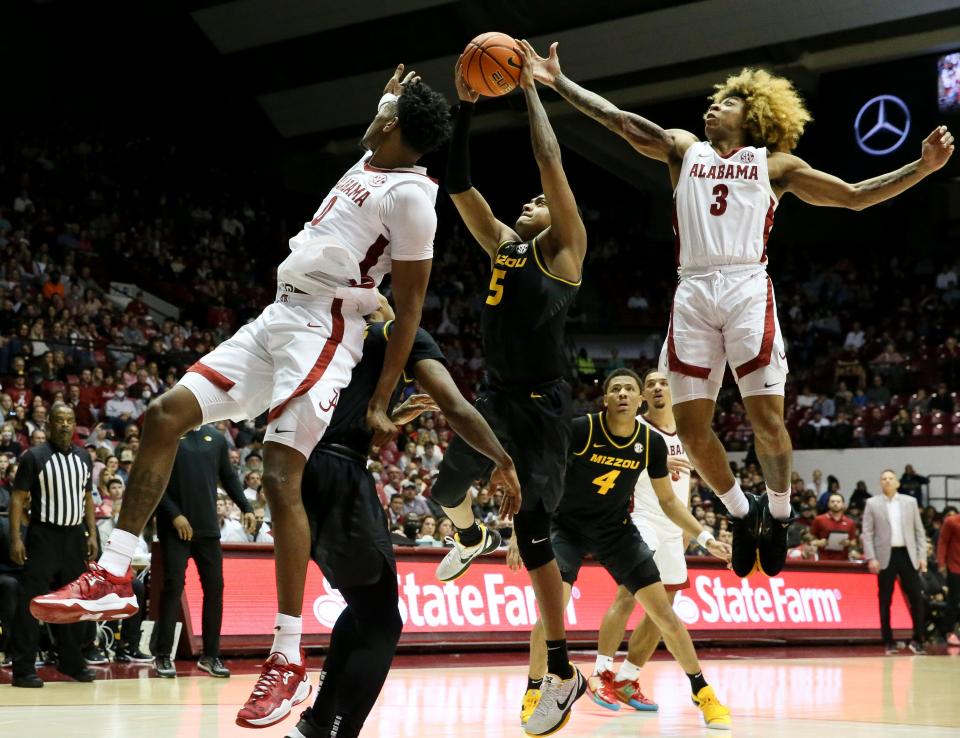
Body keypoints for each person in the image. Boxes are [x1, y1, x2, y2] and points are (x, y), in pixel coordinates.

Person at [31, 66, 451, 723]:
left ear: (395, 126)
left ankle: (286, 657)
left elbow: (412, 303)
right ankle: (113, 572)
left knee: (281, 474)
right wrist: (393, 96)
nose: (374, 116)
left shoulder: (413, 198)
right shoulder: (377, 153)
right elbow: (387, 123)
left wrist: (379, 398)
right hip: (278, 317)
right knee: (161, 415)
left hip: (326, 329)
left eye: (385, 111)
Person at [524, 41, 954, 579]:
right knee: (690, 427)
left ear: (754, 116)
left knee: (766, 420)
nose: (713, 106)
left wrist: (923, 166)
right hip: (692, 289)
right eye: (714, 100)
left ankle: (777, 514)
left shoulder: (775, 165)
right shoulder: (683, 149)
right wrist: (557, 81)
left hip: (748, 284)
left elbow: (853, 196)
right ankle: (742, 511)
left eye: (727, 102)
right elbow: (616, 119)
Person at [430, 42, 588, 737]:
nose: (529, 202)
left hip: (541, 411)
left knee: (532, 540)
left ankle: (562, 668)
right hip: (493, 397)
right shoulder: (504, 243)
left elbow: (549, 164)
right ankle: (466, 537)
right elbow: (459, 186)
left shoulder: (564, 253)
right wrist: (464, 110)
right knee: (442, 491)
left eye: (538, 204)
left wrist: (529, 89)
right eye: (525, 200)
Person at [286, 296, 519, 738]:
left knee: (363, 609)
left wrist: (389, 416)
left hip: (302, 469)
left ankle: (317, 724)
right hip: (337, 474)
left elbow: (348, 431)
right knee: (383, 622)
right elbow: (455, 406)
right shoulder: (397, 334)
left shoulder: (338, 345)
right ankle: (335, 730)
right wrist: (502, 460)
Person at [513, 369, 732, 733]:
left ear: (639, 400)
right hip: (566, 527)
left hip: (615, 530)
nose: (624, 394)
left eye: (630, 389)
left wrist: (705, 538)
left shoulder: (651, 442)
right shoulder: (582, 429)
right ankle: (535, 691)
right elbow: (542, 475)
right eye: (616, 389)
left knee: (664, 612)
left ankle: (702, 691)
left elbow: (669, 501)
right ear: (607, 399)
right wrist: (521, 531)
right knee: (553, 610)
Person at [589, 370, 696, 712]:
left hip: (672, 528)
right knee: (627, 594)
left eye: (663, 382)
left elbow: (685, 486)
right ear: (643, 396)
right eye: (650, 384)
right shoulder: (634, 428)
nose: (657, 387)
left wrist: (689, 528)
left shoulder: (689, 432)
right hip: (641, 520)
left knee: (663, 609)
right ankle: (601, 674)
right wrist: (658, 459)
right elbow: (615, 462)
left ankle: (627, 679)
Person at [152, 423, 255, 680]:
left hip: (207, 527)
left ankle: (210, 655)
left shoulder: (217, 438)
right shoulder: (168, 432)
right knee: (173, 586)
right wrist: (175, 515)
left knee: (215, 588)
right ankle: (163, 654)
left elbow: (228, 476)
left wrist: (246, 507)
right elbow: (155, 481)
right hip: (175, 527)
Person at [9, 405, 97, 687]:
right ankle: (23, 669)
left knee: (72, 604)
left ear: (74, 426)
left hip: (74, 537)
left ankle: (71, 663)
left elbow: (87, 499)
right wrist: (15, 538)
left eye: (69, 420)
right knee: (32, 603)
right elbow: (18, 498)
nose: (64, 425)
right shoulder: (34, 457)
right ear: (49, 424)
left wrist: (92, 534)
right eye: (58, 420)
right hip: (43, 537)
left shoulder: (84, 457)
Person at [862, 470, 927, 655]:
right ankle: (888, 640)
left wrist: (922, 556)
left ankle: (918, 639)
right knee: (885, 598)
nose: (887, 481)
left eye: (891, 478)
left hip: (907, 554)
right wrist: (871, 557)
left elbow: (919, 532)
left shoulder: (910, 502)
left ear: (897, 483)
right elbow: (867, 533)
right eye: (884, 479)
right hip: (885, 556)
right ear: (880, 483)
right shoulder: (872, 503)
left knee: (917, 597)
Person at [936, 506, 960, 646]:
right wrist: (941, 564)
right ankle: (948, 631)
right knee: (954, 600)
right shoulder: (951, 521)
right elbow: (942, 543)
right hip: (955, 567)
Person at [810, 492, 858, 561]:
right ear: (828, 504)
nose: (835, 504)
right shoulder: (819, 519)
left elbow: (854, 542)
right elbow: (810, 540)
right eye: (832, 501)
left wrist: (848, 543)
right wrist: (818, 542)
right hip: (823, 559)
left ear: (843, 504)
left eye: (838, 502)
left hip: (843, 561)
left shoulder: (850, 522)